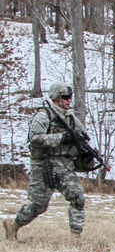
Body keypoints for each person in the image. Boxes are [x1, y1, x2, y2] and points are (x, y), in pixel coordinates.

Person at [5, 82, 88, 241]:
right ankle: (13, 225)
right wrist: (61, 138)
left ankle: (75, 238)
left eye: (70, 97)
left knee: (78, 198)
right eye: (65, 97)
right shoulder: (44, 115)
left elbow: (82, 135)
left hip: (64, 166)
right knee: (38, 205)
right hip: (44, 166)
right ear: (56, 98)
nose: (68, 100)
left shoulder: (70, 117)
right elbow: (35, 138)